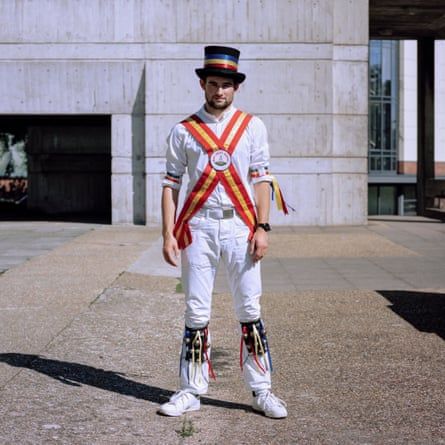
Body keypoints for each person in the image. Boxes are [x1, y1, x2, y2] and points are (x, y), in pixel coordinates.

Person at [159, 46, 288, 419]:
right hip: (197, 227)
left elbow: (262, 179)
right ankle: (190, 390)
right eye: (213, 83)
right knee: (196, 310)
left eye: (226, 85)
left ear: (236, 87)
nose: (219, 91)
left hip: (240, 226)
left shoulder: (251, 126)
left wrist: (263, 227)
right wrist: (167, 233)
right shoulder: (183, 131)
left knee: (249, 307)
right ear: (202, 84)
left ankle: (261, 390)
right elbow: (171, 184)